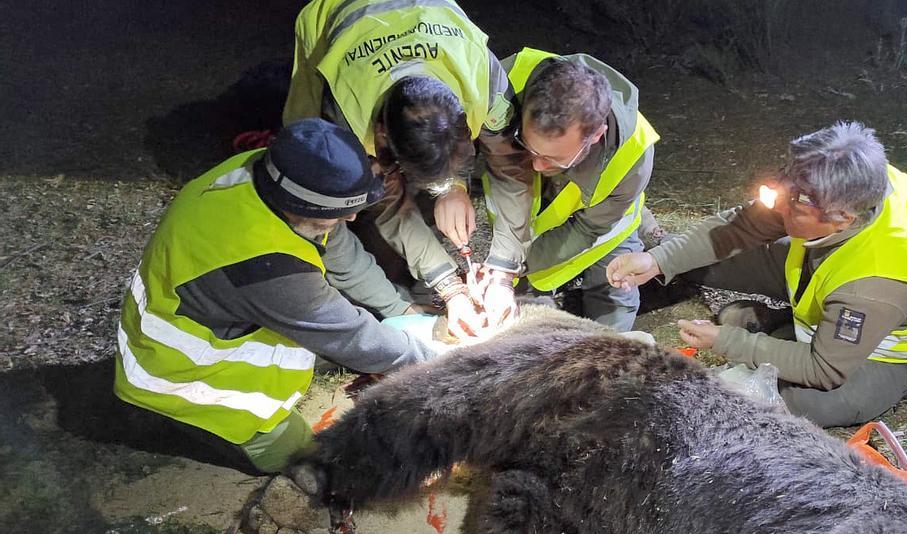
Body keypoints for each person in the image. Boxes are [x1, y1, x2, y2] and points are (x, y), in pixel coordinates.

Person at [114, 118, 435, 475]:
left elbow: (338, 246)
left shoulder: (274, 171)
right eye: (337, 213)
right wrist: (437, 361)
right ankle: (182, 432)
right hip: (187, 381)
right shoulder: (265, 266)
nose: (354, 216)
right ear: (303, 208)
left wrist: (401, 309)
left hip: (212, 314)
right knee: (310, 462)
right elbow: (351, 336)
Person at [607, 121, 907, 427]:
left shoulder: (875, 283)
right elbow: (741, 225)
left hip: (895, 354)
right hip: (819, 271)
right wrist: (658, 260)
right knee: (706, 256)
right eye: (787, 182)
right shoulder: (850, 183)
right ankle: (780, 326)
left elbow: (824, 369)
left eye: (797, 201)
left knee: (803, 402)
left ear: (841, 217)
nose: (780, 202)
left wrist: (727, 341)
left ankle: (779, 330)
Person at [283, 0, 517, 338]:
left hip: (428, 13)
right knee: (319, 174)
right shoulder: (344, 115)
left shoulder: (482, 77)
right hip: (337, 17)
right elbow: (386, 199)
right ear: (381, 139)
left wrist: (455, 187)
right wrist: (447, 287)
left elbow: (507, 161)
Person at [455, 48, 659, 332]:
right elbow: (457, 132)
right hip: (527, 222)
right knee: (518, 307)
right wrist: (455, 185)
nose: (537, 166)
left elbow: (587, 229)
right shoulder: (502, 84)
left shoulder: (634, 157)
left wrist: (512, 266)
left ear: (596, 135)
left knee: (612, 299)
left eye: (553, 158)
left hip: (602, 227)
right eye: (527, 146)